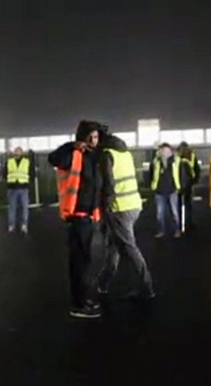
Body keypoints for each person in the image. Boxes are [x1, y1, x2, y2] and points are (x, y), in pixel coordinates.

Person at [48, 120, 103, 319]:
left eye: (97, 137)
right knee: (79, 262)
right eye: (92, 136)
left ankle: (82, 298)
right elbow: (53, 158)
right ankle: (78, 304)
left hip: (88, 218)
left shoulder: (92, 157)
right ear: (84, 137)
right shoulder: (73, 155)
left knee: (85, 261)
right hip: (77, 217)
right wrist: (72, 145)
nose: (95, 140)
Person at [97, 132, 155, 299]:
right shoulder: (125, 153)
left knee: (129, 248)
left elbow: (108, 183)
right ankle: (103, 282)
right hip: (133, 203)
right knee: (113, 244)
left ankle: (147, 287)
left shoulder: (107, 154)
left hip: (119, 207)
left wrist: (104, 206)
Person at [149, 143, 183, 238]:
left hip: (172, 190)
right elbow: (151, 174)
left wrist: (180, 187)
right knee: (159, 213)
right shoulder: (156, 161)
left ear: (171, 151)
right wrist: (152, 186)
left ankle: (177, 230)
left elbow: (181, 174)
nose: (165, 153)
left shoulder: (176, 161)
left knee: (174, 212)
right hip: (159, 191)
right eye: (163, 151)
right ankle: (161, 231)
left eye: (167, 151)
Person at [5, 147, 31, 233]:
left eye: (19, 151)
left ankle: (24, 224)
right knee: (12, 208)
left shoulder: (26, 162)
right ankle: (12, 225)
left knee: (24, 208)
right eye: (16, 151)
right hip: (12, 187)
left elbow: (31, 173)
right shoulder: (9, 162)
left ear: (22, 152)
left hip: (23, 187)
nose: (17, 152)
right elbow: (5, 173)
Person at [177, 141, 201, 232]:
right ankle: (189, 222)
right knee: (188, 204)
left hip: (179, 184)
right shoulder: (192, 156)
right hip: (189, 183)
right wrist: (195, 180)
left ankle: (180, 223)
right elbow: (197, 169)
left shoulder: (177, 157)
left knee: (179, 205)